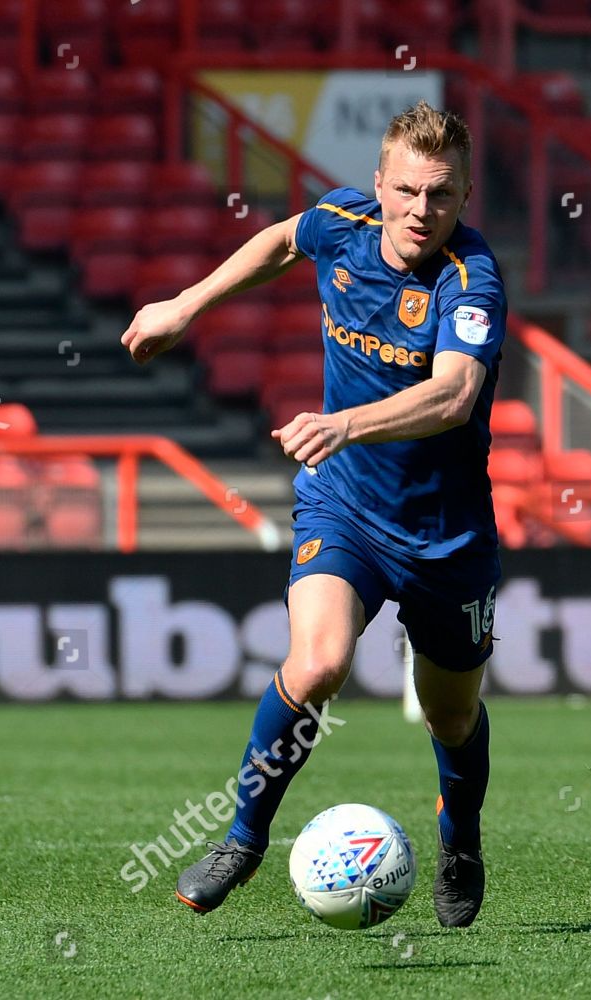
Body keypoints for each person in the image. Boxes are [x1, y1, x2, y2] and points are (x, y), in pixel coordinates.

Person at [121, 101, 506, 925]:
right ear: (378, 184)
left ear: (465, 195)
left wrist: (344, 424)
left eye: (440, 195)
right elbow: (281, 241)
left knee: (450, 711)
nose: (420, 210)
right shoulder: (341, 217)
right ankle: (244, 839)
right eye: (406, 189)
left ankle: (461, 838)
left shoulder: (471, 280)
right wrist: (187, 305)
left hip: (447, 535)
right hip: (347, 508)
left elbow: (454, 392)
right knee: (319, 664)